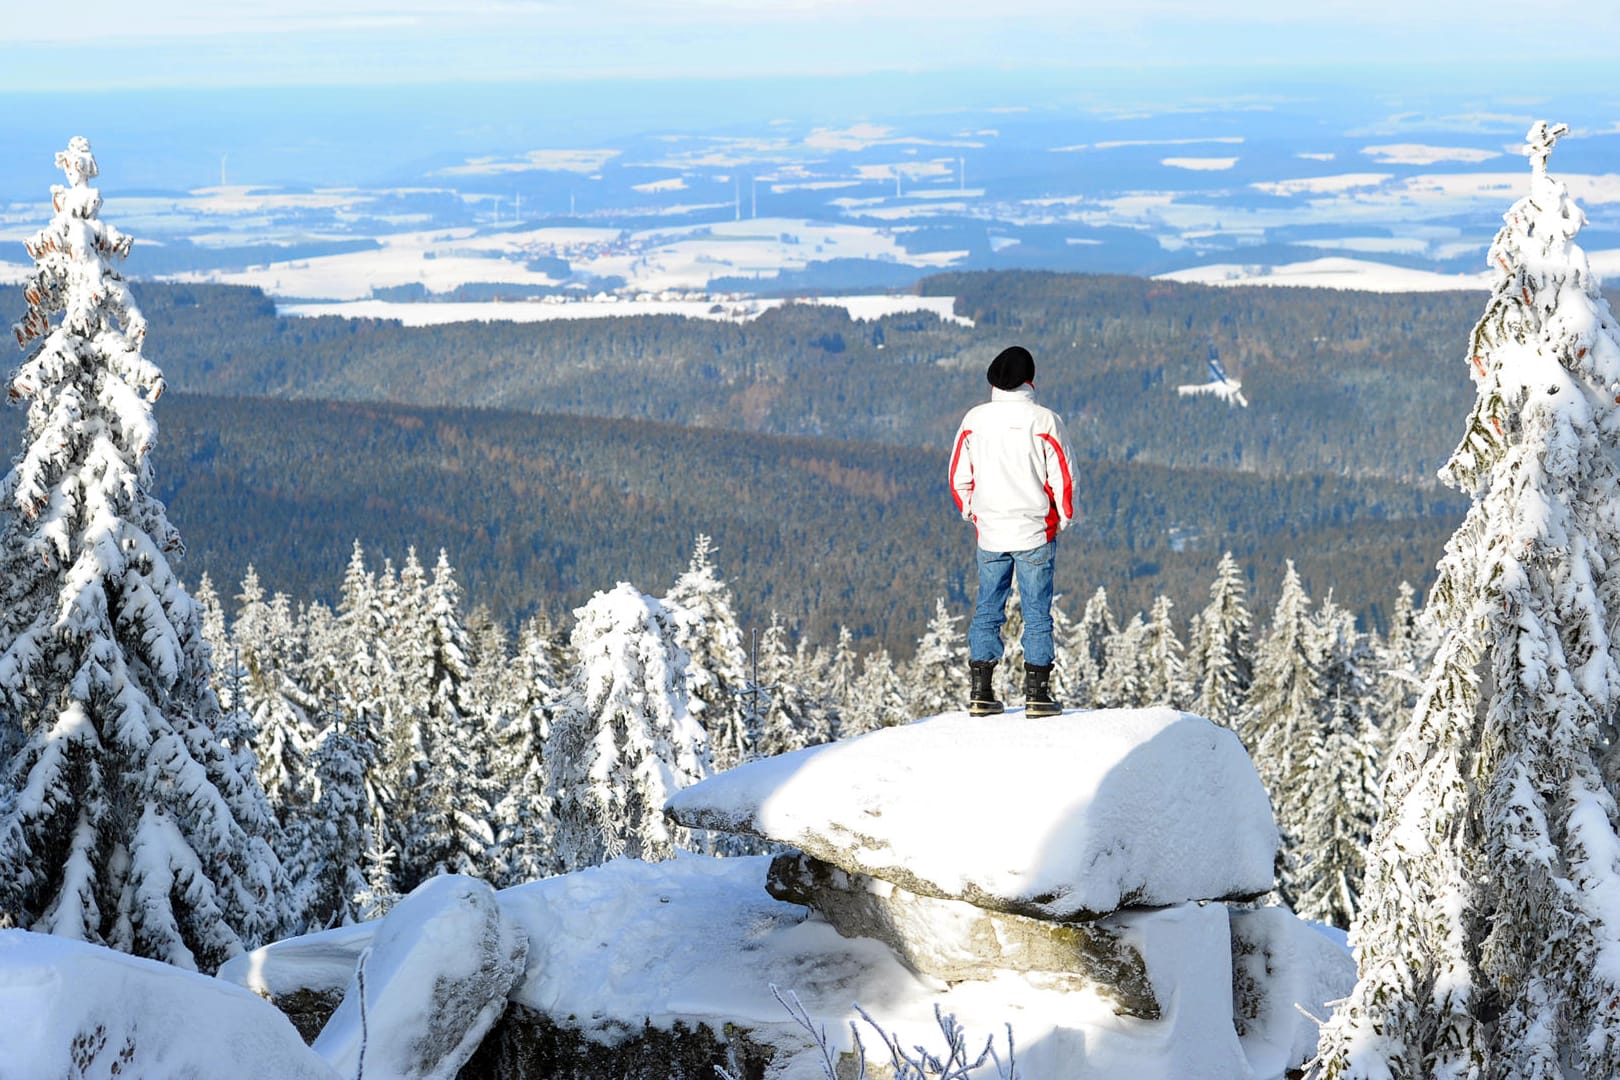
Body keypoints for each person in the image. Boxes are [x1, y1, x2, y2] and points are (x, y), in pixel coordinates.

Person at [948, 345, 1077, 717]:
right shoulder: (1045, 421)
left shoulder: (974, 420)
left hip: (990, 532)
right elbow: (1064, 478)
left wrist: (973, 512)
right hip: (1035, 530)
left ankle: (981, 692)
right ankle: (1037, 694)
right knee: (1037, 613)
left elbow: (959, 476)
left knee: (988, 609)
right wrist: (1063, 517)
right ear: (1030, 380)